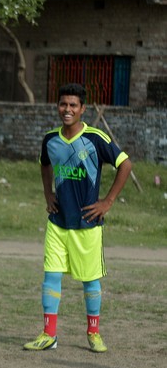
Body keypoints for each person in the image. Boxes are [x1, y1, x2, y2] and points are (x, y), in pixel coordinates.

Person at [23, 83, 132, 353]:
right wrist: (47, 194)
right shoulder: (50, 139)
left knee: (91, 280)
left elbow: (125, 164)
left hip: (87, 223)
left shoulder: (96, 139)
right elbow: (44, 164)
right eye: (63, 104)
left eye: (73, 105)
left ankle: (93, 332)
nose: (67, 109)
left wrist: (107, 202)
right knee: (51, 276)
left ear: (82, 109)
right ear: (57, 106)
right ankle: (49, 335)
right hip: (58, 221)